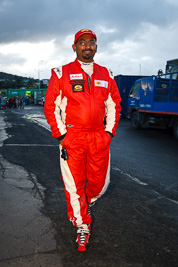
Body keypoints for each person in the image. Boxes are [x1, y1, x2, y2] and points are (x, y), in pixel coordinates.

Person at [44, 28, 121, 252]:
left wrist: (108, 133)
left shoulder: (106, 74)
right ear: (74, 46)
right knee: (74, 186)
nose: (87, 46)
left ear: (96, 46)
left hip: (99, 137)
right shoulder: (61, 73)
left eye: (92, 42)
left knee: (99, 185)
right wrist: (62, 135)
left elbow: (114, 105)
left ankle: (87, 203)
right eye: (82, 42)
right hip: (73, 138)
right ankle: (81, 224)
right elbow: (51, 107)